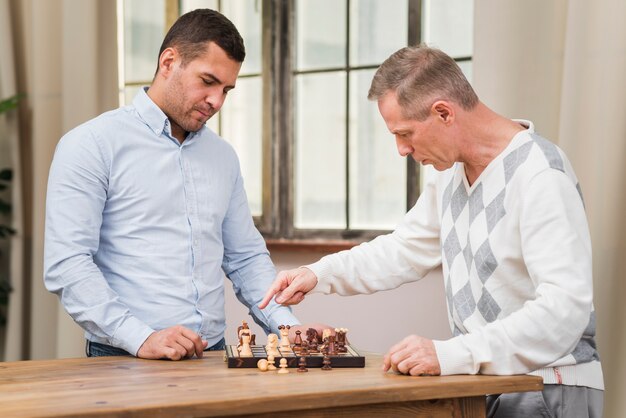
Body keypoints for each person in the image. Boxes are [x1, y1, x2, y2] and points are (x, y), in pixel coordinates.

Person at [259, 45, 604, 417]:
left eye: (405, 133)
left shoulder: (539, 174)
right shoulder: (451, 177)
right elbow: (403, 249)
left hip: (547, 386)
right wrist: (319, 273)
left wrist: (451, 353)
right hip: (486, 383)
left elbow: (564, 309)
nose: (401, 150)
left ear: (443, 112)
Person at [44, 9, 315, 361]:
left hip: (212, 356)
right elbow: (68, 263)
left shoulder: (223, 157)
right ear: (169, 62)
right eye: (207, 81)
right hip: (124, 358)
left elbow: (245, 257)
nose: (217, 101)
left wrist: (286, 327)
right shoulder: (91, 144)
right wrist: (141, 338)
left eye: (226, 90)